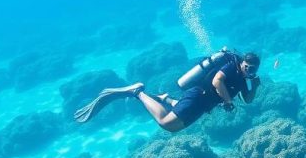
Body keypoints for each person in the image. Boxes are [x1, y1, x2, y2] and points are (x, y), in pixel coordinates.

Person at [74, 52, 261, 132]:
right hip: (198, 96)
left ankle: (166, 99)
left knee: (176, 127)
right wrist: (228, 102)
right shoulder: (231, 66)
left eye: (253, 69)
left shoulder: (245, 79)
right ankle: (137, 91)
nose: (249, 71)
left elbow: (248, 100)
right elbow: (216, 80)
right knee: (167, 124)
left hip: (203, 105)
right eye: (247, 67)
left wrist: (255, 85)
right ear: (242, 63)